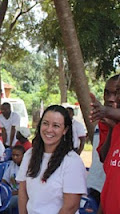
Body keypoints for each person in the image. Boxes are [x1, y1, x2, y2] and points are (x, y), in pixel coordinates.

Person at [16, 105, 87, 214]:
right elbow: (22, 192)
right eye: (45, 123)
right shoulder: (30, 155)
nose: (49, 130)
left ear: (65, 130)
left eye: (56, 126)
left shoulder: (72, 161)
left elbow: (70, 206)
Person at [90, 75, 120, 214]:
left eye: (117, 92)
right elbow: (104, 158)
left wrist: (107, 111)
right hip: (98, 189)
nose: (111, 98)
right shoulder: (108, 124)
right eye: (107, 92)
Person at [1, 145, 25, 214]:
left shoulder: (27, 168)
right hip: (10, 191)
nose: (14, 157)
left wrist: (13, 193)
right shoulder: (12, 164)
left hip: (21, 195)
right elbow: (4, 180)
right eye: (13, 155)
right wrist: (4, 190)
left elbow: (27, 190)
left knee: (8, 204)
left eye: (17, 155)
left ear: (23, 156)